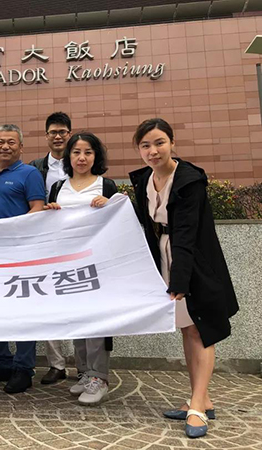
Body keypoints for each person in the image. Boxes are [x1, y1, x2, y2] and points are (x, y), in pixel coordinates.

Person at [129, 118, 238, 438]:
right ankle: (201, 399)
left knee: (201, 329)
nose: (153, 151)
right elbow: (141, 220)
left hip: (193, 262)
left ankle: (197, 408)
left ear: (172, 143)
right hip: (165, 257)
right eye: (145, 145)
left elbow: (187, 234)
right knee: (188, 328)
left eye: (159, 143)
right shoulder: (144, 179)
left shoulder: (189, 180)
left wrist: (180, 280)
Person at [0, 124, 46, 394]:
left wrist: (10, 229)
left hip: (21, 255)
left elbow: (38, 209)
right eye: (1, 141)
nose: (5, 146)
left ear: (21, 147)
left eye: (11, 142)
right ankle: (1, 362)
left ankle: (24, 368)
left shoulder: (29, 174)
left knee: (23, 313)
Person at [44, 132, 117, 405]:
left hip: (97, 264)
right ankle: (84, 372)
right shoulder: (58, 187)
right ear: (68, 156)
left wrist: (111, 204)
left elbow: (122, 220)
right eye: (76, 152)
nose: (82, 158)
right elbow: (49, 224)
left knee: (97, 320)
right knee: (76, 318)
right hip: (67, 265)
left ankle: (100, 376)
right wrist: (50, 212)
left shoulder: (105, 185)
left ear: (96, 156)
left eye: (88, 152)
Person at [29, 111, 73, 385]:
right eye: (53, 132)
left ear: (70, 134)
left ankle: (87, 366)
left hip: (78, 243)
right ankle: (57, 365)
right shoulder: (35, 167)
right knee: (48, 301)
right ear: (46, 136)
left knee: (81, 299)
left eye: (62, 132)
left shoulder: (82, 161)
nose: (58, 137)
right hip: (46, 243)